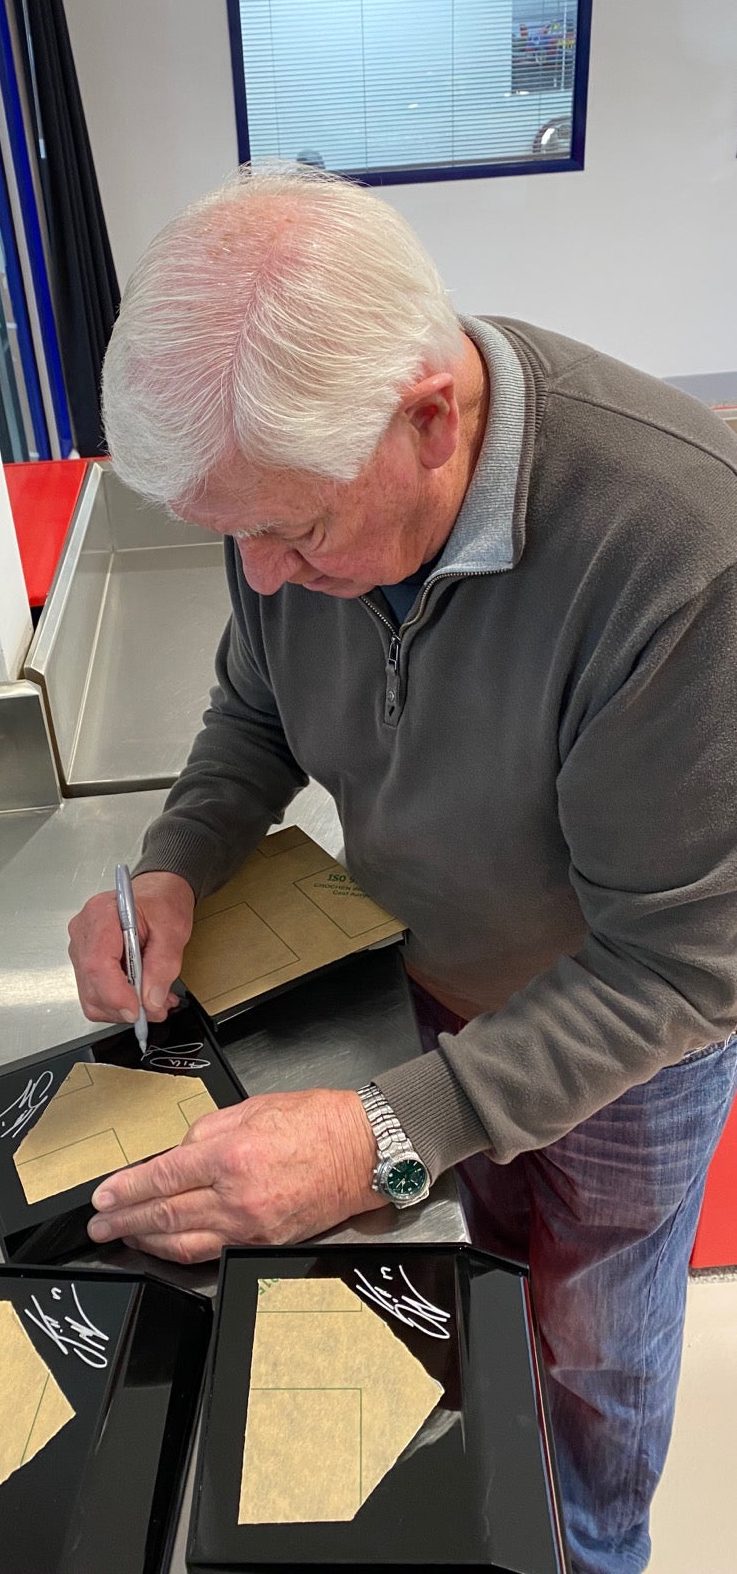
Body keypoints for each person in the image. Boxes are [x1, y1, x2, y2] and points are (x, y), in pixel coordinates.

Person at [67, 166, 737, 1574]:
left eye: (292, 533)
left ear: (432, 417)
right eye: (225, 537)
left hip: (631, 1048)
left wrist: (379, 1131)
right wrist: (181, 859)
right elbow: (254, 707)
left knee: (601, 1335)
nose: (256, 575)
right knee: (483, 1277)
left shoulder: (683, 553)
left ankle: (597, 1550)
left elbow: (683, 964)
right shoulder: (291, 473)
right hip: (431, 984)